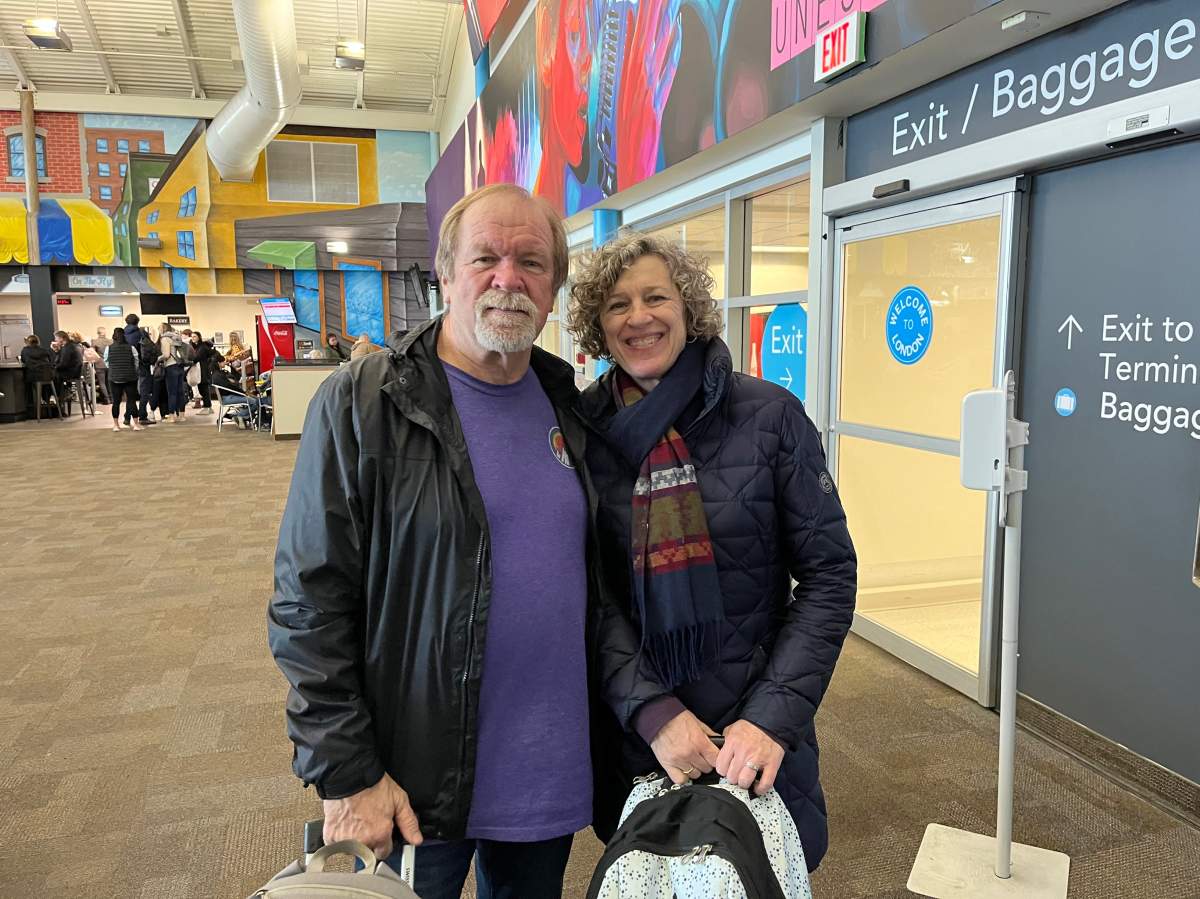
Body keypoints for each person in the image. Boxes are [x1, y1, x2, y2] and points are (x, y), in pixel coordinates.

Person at [268, 184, 660, 899]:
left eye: (532, 263)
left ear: (552, 290)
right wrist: (347, 772)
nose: (508, 278)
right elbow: (308, 605)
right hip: (410, 786)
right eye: (486, 257)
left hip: (545, 776)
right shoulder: (366, 403)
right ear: (445, 273)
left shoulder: (568, 404)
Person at [567, 232, 858, 871]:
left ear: (689, 307)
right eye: (617, 304)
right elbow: (587, 595)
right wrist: (652, 712)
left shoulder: (771, 415)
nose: (638, 317)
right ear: (597, 324)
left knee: (753, 874)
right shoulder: (582, 431)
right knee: (653, 873)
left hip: (756, 732)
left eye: (655, 297)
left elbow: (829, 575)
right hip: (640, 736)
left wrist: (771, 718)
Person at [105, 328, 143, 431]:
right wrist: (132, 370)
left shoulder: (109, 348)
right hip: (130, 377)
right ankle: (136, 424)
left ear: (114, 336)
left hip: (114, 378)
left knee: (116, 402)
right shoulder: (131, 348)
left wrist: (114, 369)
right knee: (131, 401)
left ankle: (116, 425)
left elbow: (106, 362)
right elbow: (136, 362)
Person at [125, 314, 158, 427]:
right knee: (144, 392)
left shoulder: (122, 333)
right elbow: (151, 348)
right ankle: (142, 416)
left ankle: (127, 417)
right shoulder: (141, 333)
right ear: (137, 322)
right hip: (142, 365)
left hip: (128, 367)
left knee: (130, 393)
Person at [158, 323, 188, 423]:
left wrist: (158, 359)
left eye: (159, 327)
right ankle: (182, 416)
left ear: (163, 328)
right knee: (180, 392)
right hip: (180, 366)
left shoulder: (165, 338)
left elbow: (166, 355)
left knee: (172, 393)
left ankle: (171, 416)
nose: (158, 329)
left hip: (171, 366)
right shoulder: (176, 337)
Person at [19, 334, 56, 414]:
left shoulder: (25, 350)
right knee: (45, 387)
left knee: (26, 385)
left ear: (28, 342)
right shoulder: (44, 350)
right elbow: (52, 361)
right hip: (48, 376)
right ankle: (47, 403)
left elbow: (23, 360)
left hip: (34, 376)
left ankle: (31, 410)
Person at [188, 331, 215, 413]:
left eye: (194, 336)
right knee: (202, 388)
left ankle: (207, 406)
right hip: (200, 371)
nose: (193, 338)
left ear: (199, 337)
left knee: (204, 389)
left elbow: (196, 358)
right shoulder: (197, 347)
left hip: (203, 371)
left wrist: (190, 360)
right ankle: (207, 406)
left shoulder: (202, 347)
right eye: (192, 336)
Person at [53, 330, 83, 402]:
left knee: (51, 378)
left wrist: (54, 367)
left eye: (56, 338)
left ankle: (57, 399)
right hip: (76, 372)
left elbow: (63, 364)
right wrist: (57, 351)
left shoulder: (67, 348)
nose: (55, 340)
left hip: (70, 373)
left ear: (62, 338)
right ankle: (63, 396)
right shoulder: (73, 345)